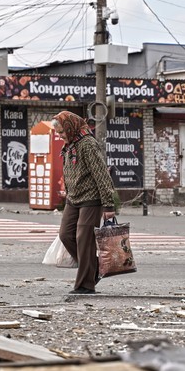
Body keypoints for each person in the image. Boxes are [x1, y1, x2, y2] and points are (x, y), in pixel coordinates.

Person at [51, 111, 116, 294]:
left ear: (71, 128)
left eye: (62, 132)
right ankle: (94, 267)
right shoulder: (70, 144)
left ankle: (85, 285)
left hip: (91, 199)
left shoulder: (87, 144)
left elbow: (102, 175)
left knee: (84, 240)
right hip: (73, 199)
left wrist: (109, 206)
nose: (60, 136)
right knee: (65, 235)